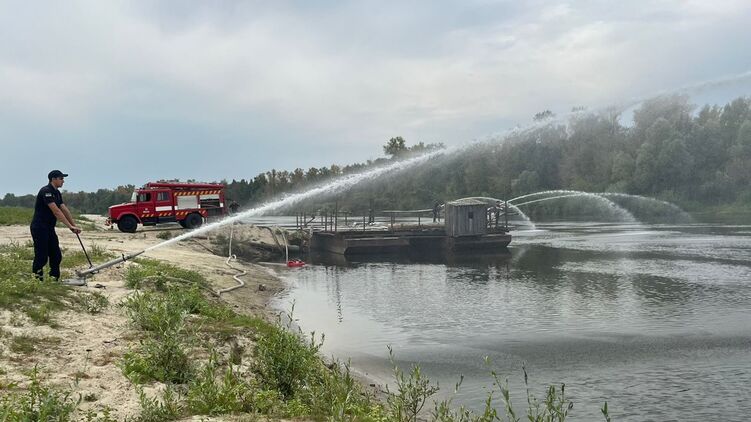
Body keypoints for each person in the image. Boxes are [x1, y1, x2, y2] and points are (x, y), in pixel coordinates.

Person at [30, 170, 81, 280]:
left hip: (49, 228)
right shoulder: (46, 191)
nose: (63, 181)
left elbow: (64, 209)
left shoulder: (57, 193)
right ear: (53, 179)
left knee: (56, 255)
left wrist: (73, 225)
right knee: (41, 256)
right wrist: (69, 226)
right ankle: (37, 280)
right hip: (39, 227)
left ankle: (54, 279)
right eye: (61, 178)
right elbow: (56, 211)